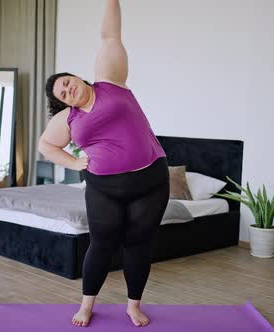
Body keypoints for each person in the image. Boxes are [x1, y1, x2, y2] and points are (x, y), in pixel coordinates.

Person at [38, 0, 169, 327]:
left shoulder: (111, 82)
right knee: (103, 243)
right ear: (62, 102)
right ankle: (86, 305)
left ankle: (133, 306)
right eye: (62, 94)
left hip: (150, 181)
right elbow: (45, 145)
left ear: (76, 77)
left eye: (67, 82)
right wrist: (74, 163)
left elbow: (111, 35)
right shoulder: (68, 119)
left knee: (139, 244)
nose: (68, 90)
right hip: (105, 188)